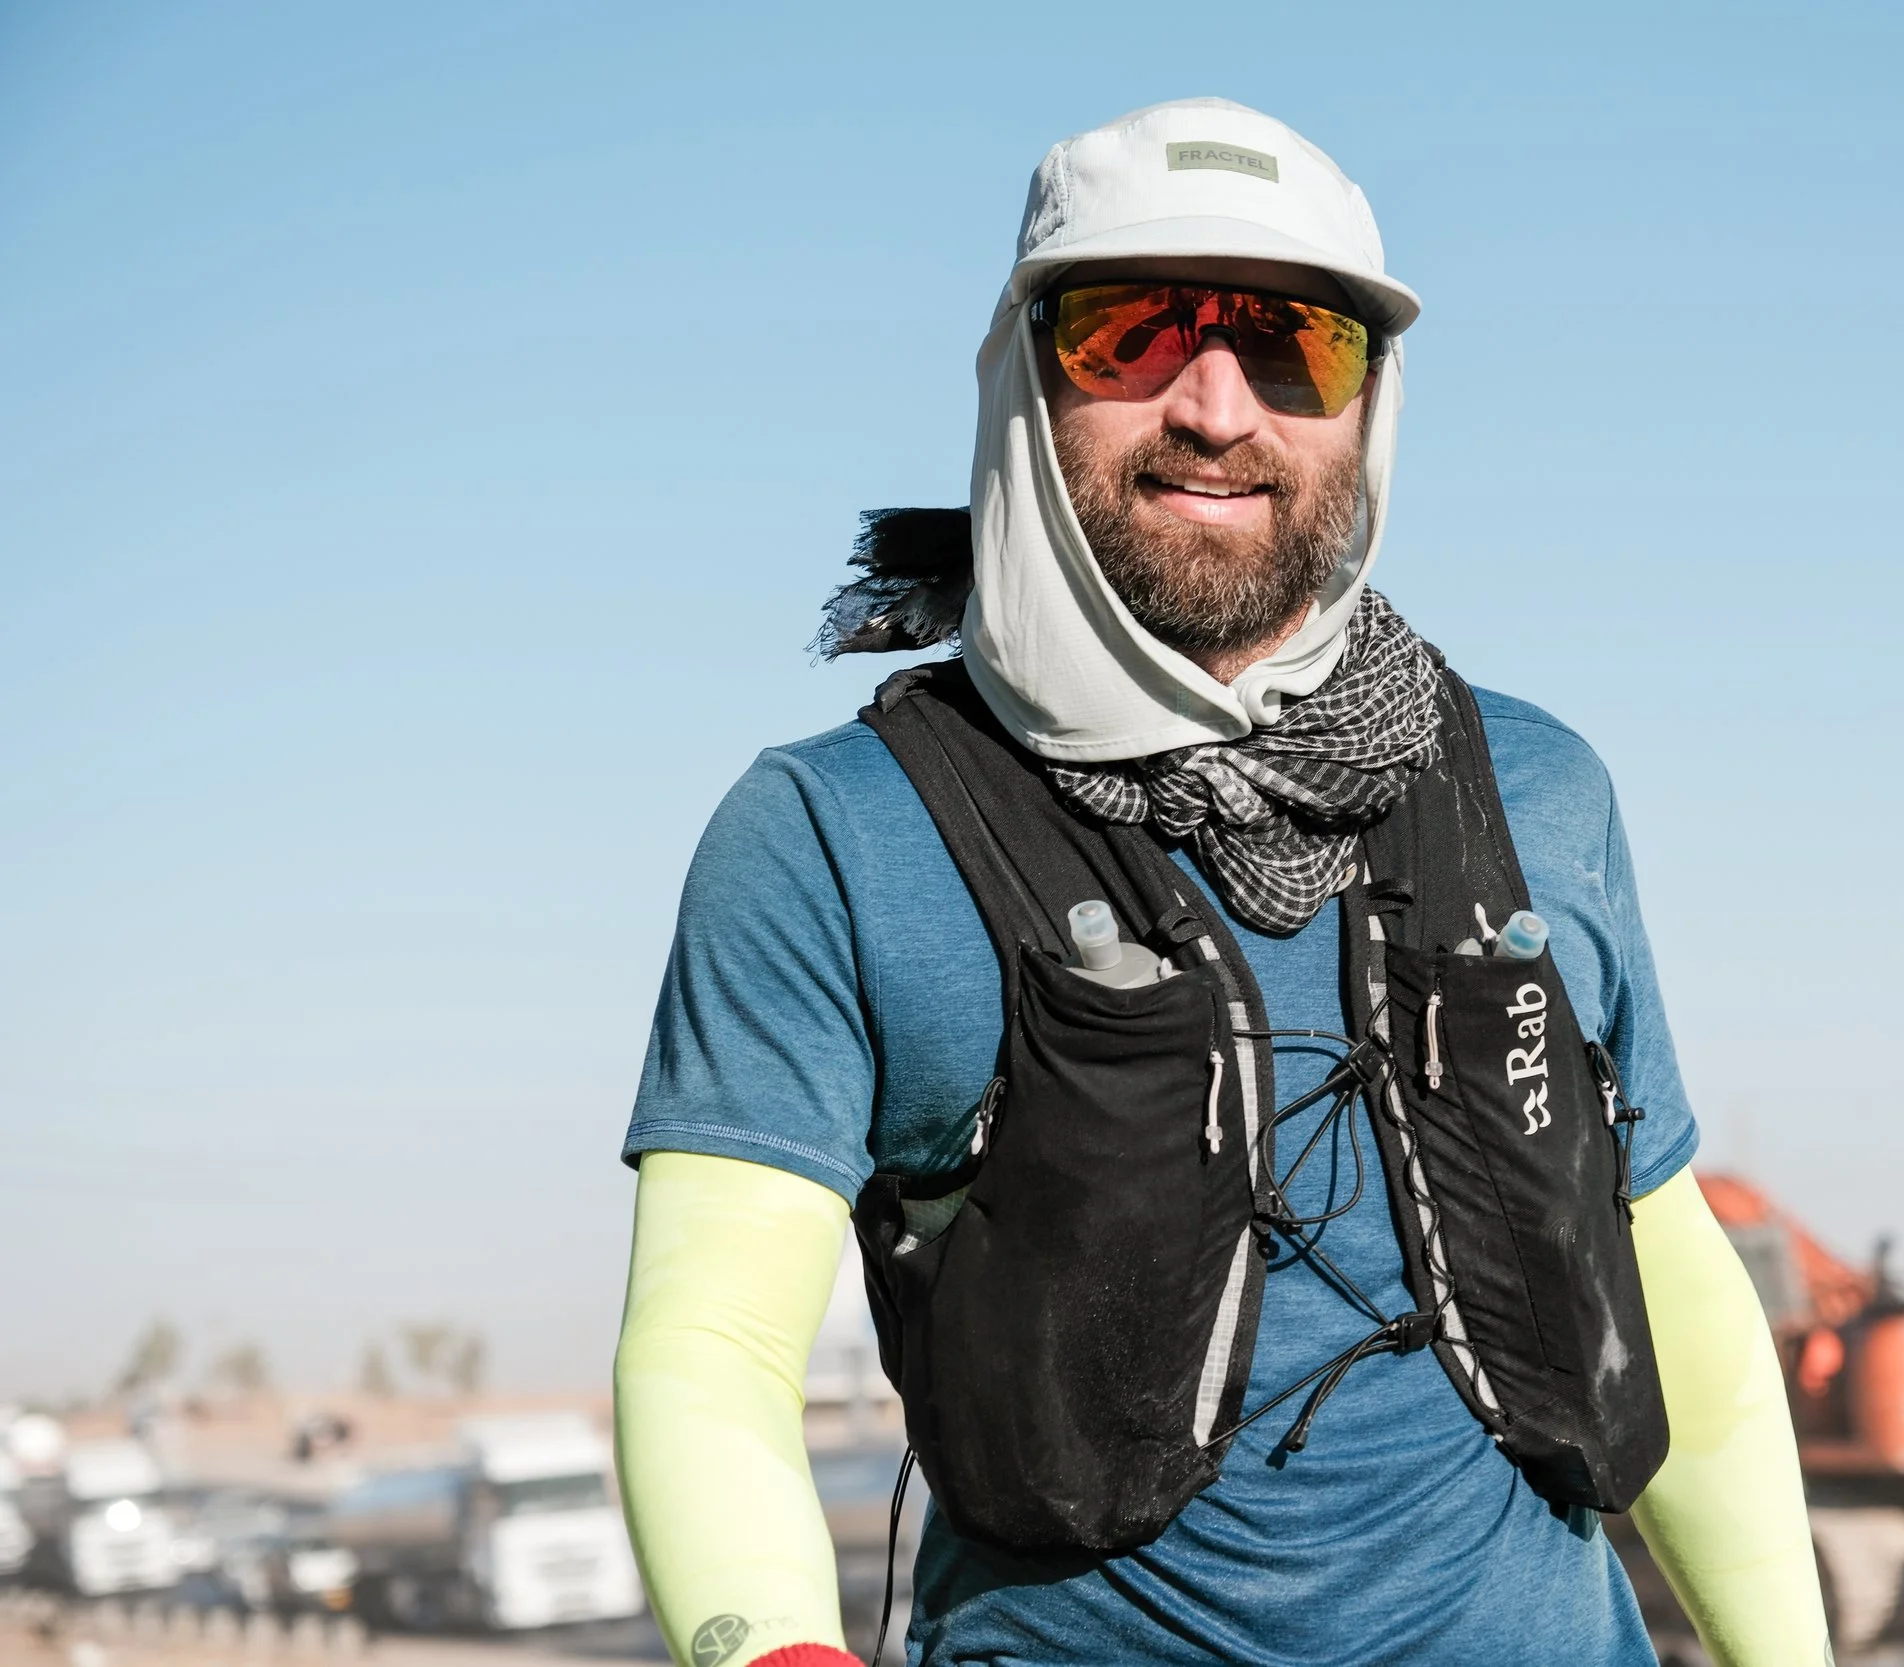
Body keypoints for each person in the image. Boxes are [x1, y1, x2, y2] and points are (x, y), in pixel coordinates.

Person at [613, 99, 1829, 1667]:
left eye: (1293, 343)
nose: (1214, 405)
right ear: (1024, 374)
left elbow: (1665, 1280)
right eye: (1131, 332)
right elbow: (710, 1354)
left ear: (1368, 402)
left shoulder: (1538, 785)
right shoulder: (831, 831)